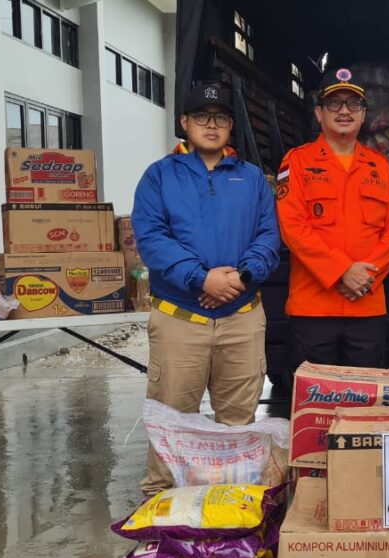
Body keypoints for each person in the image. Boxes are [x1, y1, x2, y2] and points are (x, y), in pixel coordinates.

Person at [132, 81, 281, 496]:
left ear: (231, 125)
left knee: (238, 422)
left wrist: (243, 278)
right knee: (170, 420)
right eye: (201, 116)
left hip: (241, 317)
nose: (211, 125)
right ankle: (161, 516)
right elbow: (152, 238)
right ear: (184, 122)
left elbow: (269, 236)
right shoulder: (159, 176)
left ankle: (231, 509)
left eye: (220, 118)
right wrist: (202, 278)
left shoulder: (252, 178)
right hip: (181, 320)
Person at [276, 68, 389, 371]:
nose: (344, 111)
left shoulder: (379, 165)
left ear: (363, 115)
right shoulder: (297, 161)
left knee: (365, 406)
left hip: (366, 305)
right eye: (335, 103)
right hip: (313, 309)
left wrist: (366, 278)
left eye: (353, 104)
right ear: (319, 113)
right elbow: (292, 226)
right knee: (314, 405)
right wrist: (341, 271)